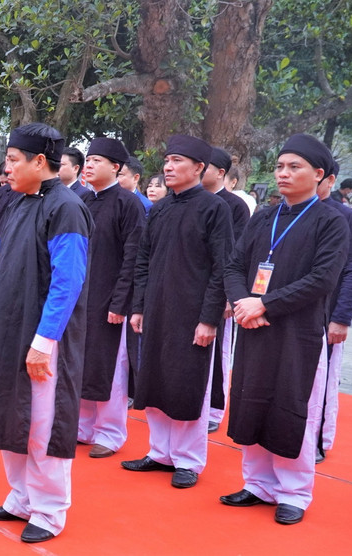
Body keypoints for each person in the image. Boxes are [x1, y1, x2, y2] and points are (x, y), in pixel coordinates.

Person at [0, 123, 92, 543]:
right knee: (10, 414)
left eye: (12, 160)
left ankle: (48, 509)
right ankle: (20, 497)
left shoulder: (67, 208)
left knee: (41, 422)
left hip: (41, 336)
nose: (6, 169)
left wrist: (44, 342)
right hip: (6, 329)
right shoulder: (16, 203)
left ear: (40, 162)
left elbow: (68, 282)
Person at [221, 134, 349, 525]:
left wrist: (265, 303)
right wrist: (245, 302)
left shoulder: (332, 221)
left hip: (298, 332)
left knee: (294, 408)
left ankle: (293, 492)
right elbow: (233, 264)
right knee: (251, 400)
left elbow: (323, 279)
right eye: (279, 166)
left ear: (319, 174)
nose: (283, 174)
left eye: (294, 167)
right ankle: (258, 484)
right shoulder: (264, 216)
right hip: (254, 326)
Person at [124, 134, 233, 489]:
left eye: (177, 162)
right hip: (156, 307)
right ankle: (159, 452)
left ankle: (188, 460)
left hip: (193, 312)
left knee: (188, 384)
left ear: (199, 168)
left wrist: (209, 317)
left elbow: (222, 267)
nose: (168, 168)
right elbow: (143, 260)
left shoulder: (214, 209)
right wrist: (138, 306)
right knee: (154, 378)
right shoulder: (160, 209)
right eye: (167, 161)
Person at [77, 138, 146, 458]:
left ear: (116, 168)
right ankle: (83, 427)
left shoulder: (128, 204)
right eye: (87, 159)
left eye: (97, 160)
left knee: (111, 368)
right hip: (80, 298)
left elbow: (133, 258)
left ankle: (110, 432)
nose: (89, 165)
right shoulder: (81, 202)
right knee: (82, 364)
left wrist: (121, 302)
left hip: (110, 299)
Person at [315, 157, 352, 464]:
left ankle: (318, 439)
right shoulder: (279, 214)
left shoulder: (345, 217)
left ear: (328, 179)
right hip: (285, 314)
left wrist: (341, 317)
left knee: (322, 380)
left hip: (326, 312)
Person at [202, 147, 251, 432]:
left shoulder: (234, 206)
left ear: (221, 173)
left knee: (218, 352)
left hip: (220, 290)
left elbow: (236, 255)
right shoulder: (190, 200)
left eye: (204, 166)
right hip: (191, 290)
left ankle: (214, 409)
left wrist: (231, 295)